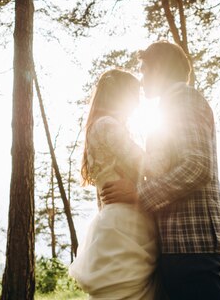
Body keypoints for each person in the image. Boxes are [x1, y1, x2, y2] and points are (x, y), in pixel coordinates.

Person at [101, 41, 220, 300]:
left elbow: (197, 166)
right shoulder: (171, 103)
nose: (142, 78)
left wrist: (138, 193)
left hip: (193, 242)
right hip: (180, 243)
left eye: (145, 70)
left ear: (159, 68)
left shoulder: (184, 98)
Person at [69, 69, 158, 300]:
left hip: (114, 218)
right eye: (134, 95)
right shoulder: (108, 125)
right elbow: (148, 165)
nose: (138, 103)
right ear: (121, 95)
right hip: (126, 223)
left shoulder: (97, 127)